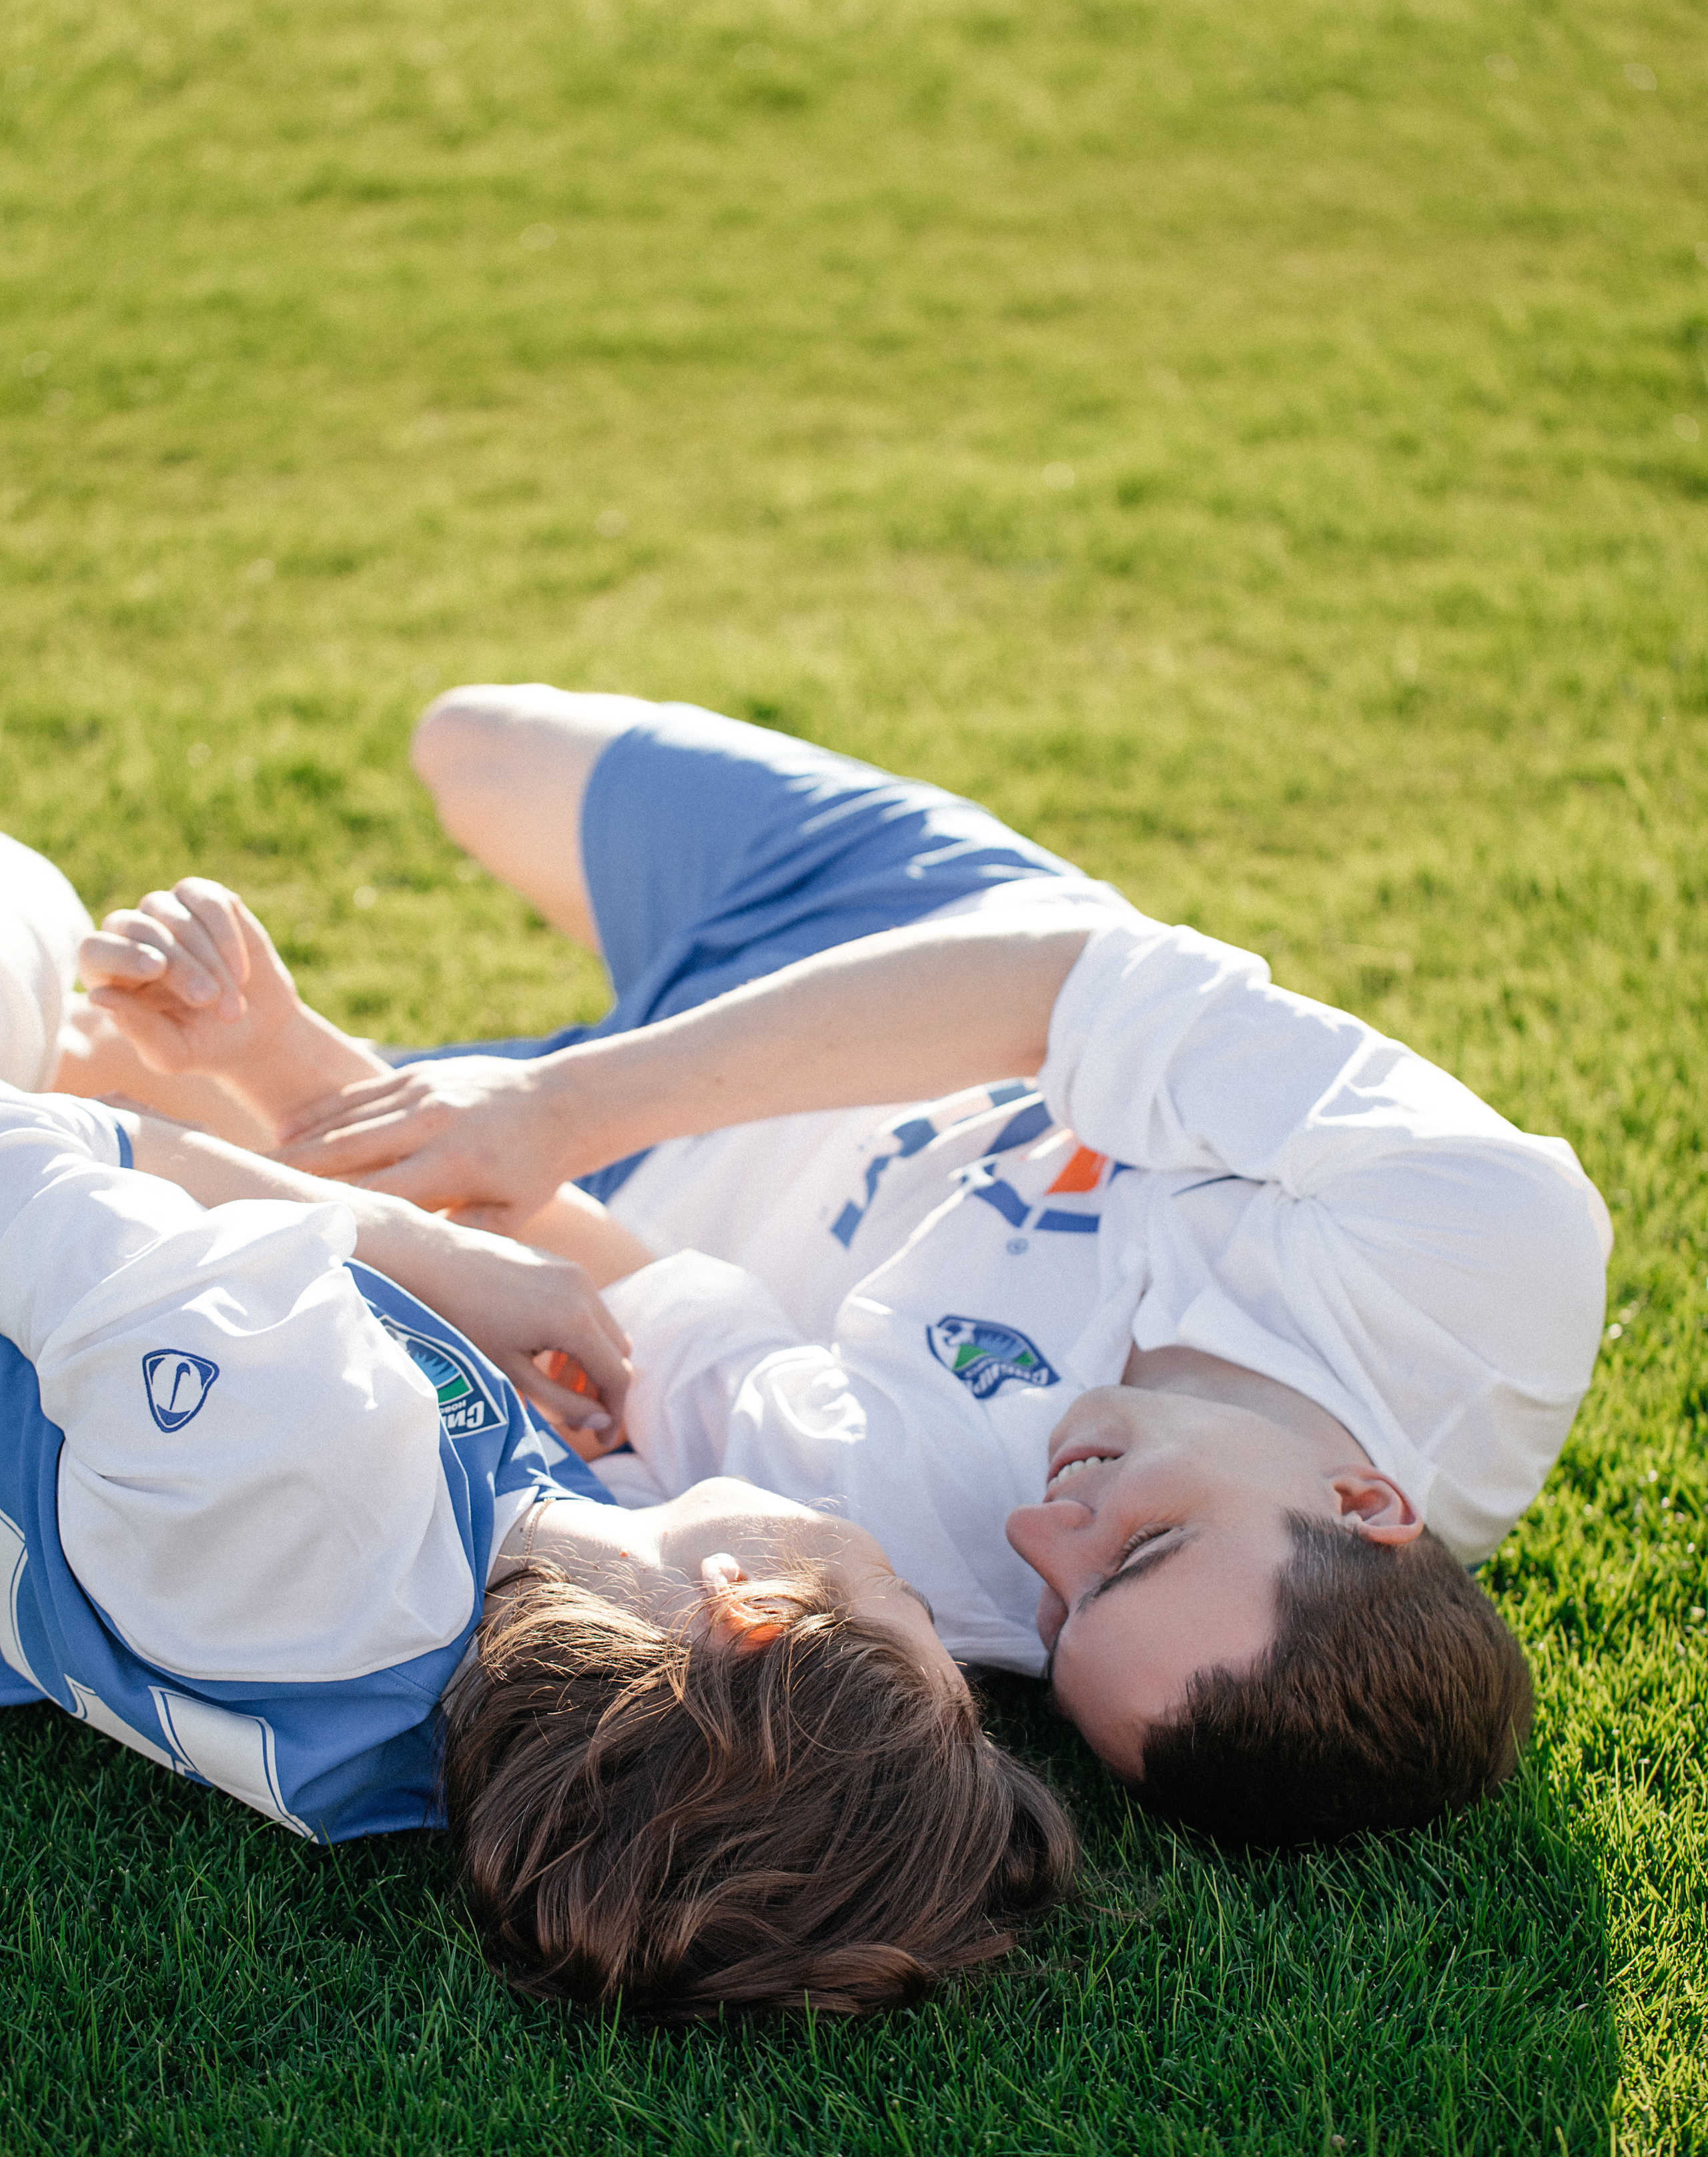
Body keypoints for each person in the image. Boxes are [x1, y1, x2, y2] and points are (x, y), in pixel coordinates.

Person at [71, 690, 1613, 1845]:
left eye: (1062, 1623)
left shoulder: (952, 1565)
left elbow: (645, 1310)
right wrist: (550, 1105)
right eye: (1133, 1551)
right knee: (466, 744)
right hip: (903, 953)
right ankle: (589, 1003)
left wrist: (294, 1069)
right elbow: (1060, 986)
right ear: (1367, 1507)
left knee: (90, 1063)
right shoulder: (1480, 1264)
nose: (1042, 1531)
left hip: (647, 1171)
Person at [0, 1062, 1074, 2020]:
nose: (887, 1559)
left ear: (748, 1608)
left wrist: (412, 1241)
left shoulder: (319, 1467)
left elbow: (33, 1153)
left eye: (899, 1592)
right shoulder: (412, 1750)